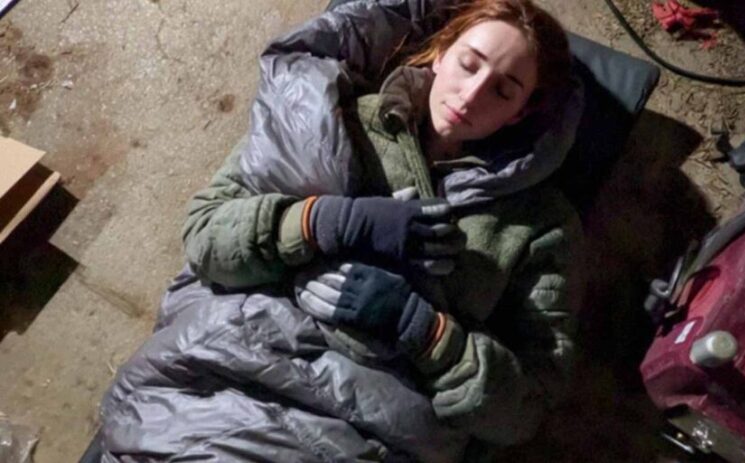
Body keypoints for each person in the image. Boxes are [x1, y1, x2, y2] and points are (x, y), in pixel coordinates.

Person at [98, 1, 585, 461]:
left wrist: (424, 331)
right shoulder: (330, 114)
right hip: (223, 369)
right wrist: (325, 222)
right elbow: (206, 237)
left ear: (521, 111)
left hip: (365, 432)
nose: (472, 93)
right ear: (440, 52)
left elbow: (525, 408)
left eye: (503, 90)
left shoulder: (540, 225)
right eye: (469, 63)